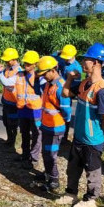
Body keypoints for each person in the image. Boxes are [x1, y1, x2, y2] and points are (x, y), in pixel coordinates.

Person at [56, 43, 104, 207]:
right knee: (73, 167)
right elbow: (65, 93)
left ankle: (91, 199)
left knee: (92, 170)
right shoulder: (84, 83)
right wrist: (71, 78)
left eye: (86, 59)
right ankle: (71, 193)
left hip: (92, 139)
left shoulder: (101, 89)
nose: (83, 62)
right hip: (80, 136)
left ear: (96, 62)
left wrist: (97, 131)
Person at [35, 56, 71, 191]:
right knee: (45, 152)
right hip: (46, 125)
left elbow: (66, 111)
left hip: (56, 127)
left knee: (51, 154)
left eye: (45, 73)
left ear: (53, 70)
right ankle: (47, 173)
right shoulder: (49, 84)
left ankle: (54, 179)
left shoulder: (60, 87)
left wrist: (62, 122)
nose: (43, 76)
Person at [15, 50, 43, 170]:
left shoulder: (40, 78)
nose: (26, 65)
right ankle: (25, 155)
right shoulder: (20, 75)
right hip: (23, 110)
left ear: (35, 64)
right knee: (24, 134)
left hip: (36, 111)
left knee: (37, 135)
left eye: (29, 63)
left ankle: (34, 158)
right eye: (25, 63)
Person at [0, 47, 21, 147]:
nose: (6, 62)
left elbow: (5, 82)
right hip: (6, 101)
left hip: (15, 102)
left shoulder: (19, 71)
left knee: (14, 124)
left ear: (14, 59)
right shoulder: (7, 68)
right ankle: (10, 140)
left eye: (7, 60)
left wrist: (0, 73)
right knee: (6, 122)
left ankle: (16, 144)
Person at [57, 44, 82, 143]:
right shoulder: (62, 60)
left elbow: (76, 84)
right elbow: (54, 56)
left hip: (68, 91)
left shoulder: (76, 68)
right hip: (60, 89)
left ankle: (64, 136)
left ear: (73, 56)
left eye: (67, 58)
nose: (65, 60)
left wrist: (68, 91)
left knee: (66, 112)